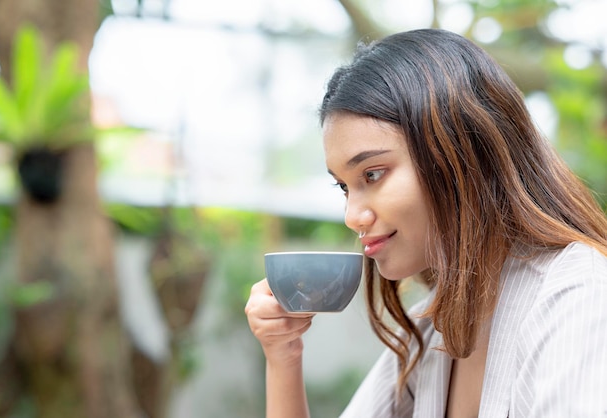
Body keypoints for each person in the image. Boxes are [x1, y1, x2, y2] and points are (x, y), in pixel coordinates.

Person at [244, 28, 607, 418]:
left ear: (461, 152)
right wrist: (283, 356)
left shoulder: (577, 295)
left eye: (372, 174)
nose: (352, 216)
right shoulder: (433, 329)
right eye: (344, 187)